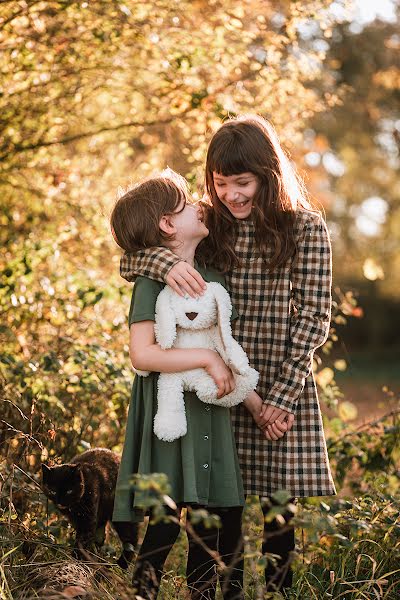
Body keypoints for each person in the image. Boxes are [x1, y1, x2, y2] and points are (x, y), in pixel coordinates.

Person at [119, 114, 337, 592]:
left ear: (269, 177)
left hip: (279, 384)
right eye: (220, 183)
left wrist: (280, 397)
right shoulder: (212, 224)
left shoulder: (305, 229)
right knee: (224, 507)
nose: (231, 195)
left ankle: (277, 590)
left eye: (244, 183)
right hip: (216, 385)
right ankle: (227, 588)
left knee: (280, 508)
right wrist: (162, 261)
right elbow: (136, 250)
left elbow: (314, 318)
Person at [111, 170, 253, 600]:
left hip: (213, 413)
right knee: (165, 523)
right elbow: (143, 353)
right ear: (168, 225)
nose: (201, 205)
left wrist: (257, 403)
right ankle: (142, 594)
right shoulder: (152, 281)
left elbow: (224, 346)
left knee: (223, 523)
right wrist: (206, 359)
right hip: (171, 421)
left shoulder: (211, 274)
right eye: (188, 202)